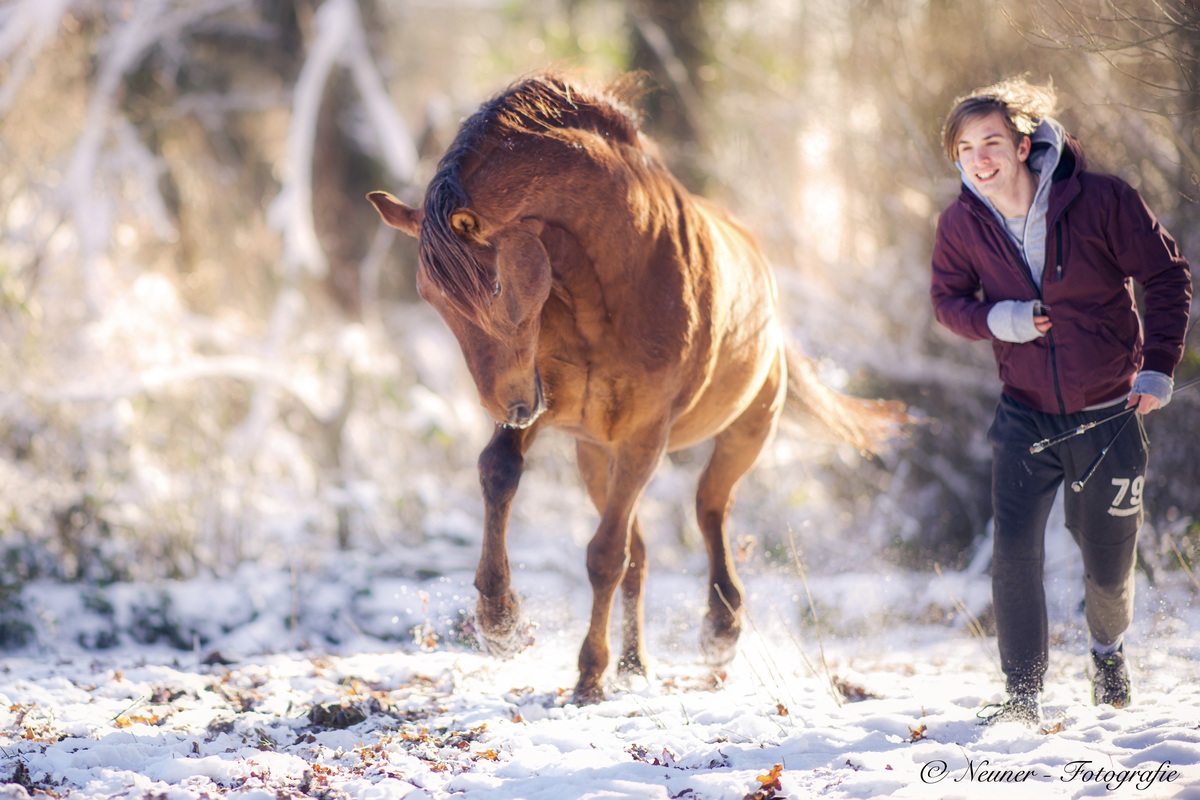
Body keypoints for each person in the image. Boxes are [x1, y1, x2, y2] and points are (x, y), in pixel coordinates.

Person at [930, 78, 1193, 726]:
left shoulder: (1101, 200)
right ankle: (1022, 694)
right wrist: (1005, 319)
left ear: (1024, 144)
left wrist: (1158, 367)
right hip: (1023, 410)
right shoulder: (962, 224)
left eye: (991, 141)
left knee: (1105, 558)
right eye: (966, 149)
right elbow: (947, 303)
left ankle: (1106, 650)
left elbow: (1166, 277)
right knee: (1014, 550)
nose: (980, 158)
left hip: (1110, 410)